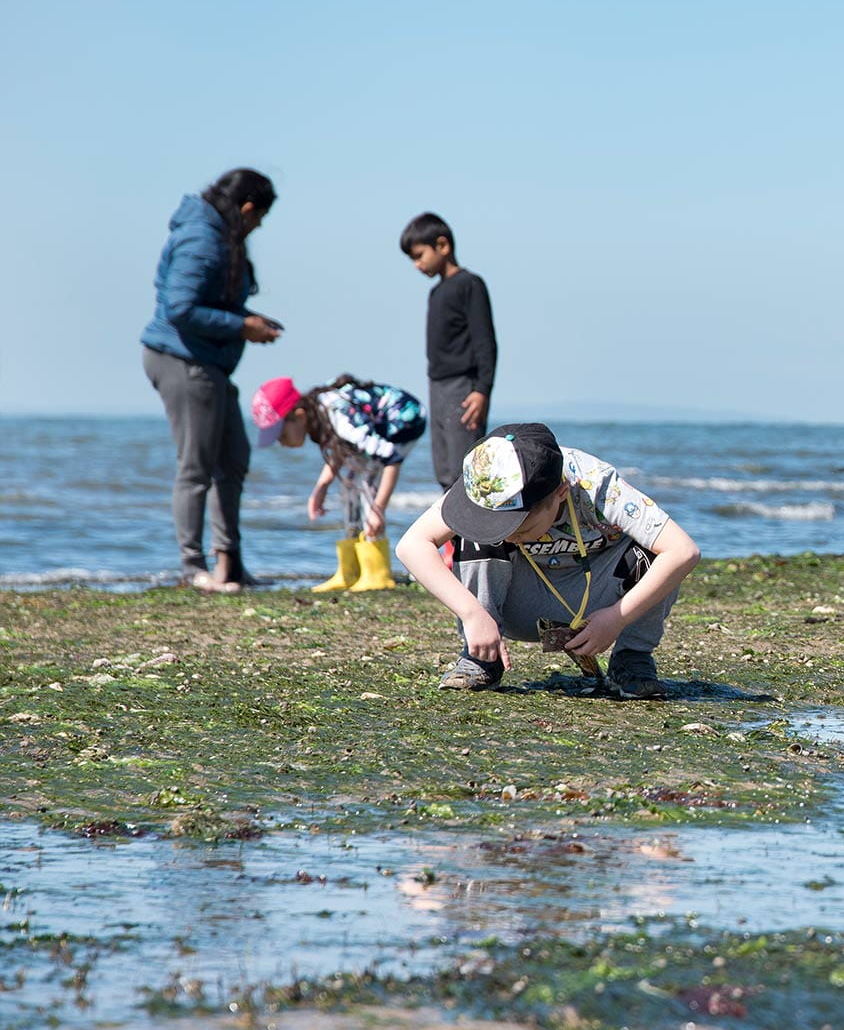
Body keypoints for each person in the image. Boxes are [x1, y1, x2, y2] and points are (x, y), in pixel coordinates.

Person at [394, 423, 700, 699]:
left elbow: (683, 551)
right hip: (511, 605)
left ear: (561, 493)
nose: (512, 536)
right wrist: (473, 613)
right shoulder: (486, 482)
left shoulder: (595, 483)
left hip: (598, 607)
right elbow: (412, 545)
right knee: (475, 535)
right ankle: (482, 658)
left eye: (522, 527)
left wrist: (616, 618)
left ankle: (632, 660)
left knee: (653, 551)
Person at [139, 168, 283, 592]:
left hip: (209, 364)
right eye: (259, 219)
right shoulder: (202, 238)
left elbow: (206, 301)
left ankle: (230, 565)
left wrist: (247, 320)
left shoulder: (217, 235)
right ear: (246, 209)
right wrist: (242, 327)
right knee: (196, 467)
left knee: (233, 458)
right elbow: (180, 308)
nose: (257, 228)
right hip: (182, 361)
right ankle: (192, 567)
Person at [251, 375, 427, 592]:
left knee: (364, 480)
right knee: (351, 479)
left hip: (405, 419)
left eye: (280, 433)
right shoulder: (322, 413)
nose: (280, 442)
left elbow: (391, 457)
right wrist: (322, 486)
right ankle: (350, 570)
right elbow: (340, 448)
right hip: (376, 425)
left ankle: (376, 571)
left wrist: (378, 509)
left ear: (299, 414)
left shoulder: (340, 418)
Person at [400, 213, 497, 492]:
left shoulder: (470, 284)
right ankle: (452, 536)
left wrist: (482, 389)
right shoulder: (436, 292)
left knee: (464, 468)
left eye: (419, 256)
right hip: (438, 386)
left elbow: (485, 341)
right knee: (443, 468)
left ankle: (475, 534)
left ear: (442, 245)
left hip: (463, 388)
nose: (417, 265)